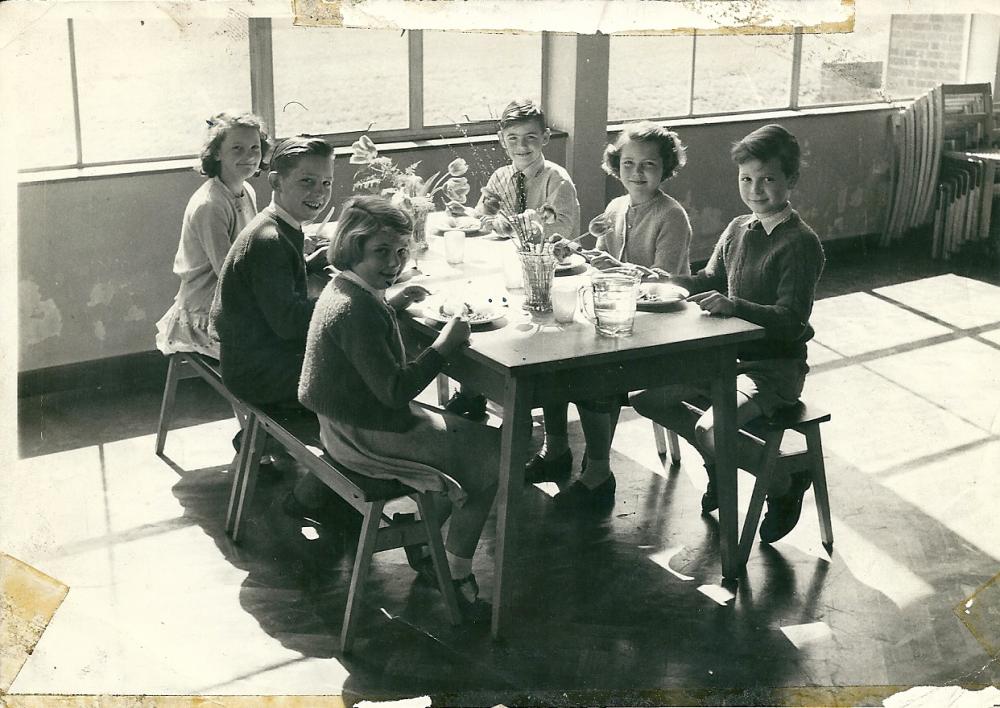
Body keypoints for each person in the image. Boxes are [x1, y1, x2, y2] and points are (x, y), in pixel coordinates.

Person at [298, 195, 499, 621]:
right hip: (365, 433)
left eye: (401, 252)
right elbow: (394, 392)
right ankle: (458, 578)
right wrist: (443, 347)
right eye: (381, 253)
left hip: (343, 423)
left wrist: (395, 302)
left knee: (467, 436)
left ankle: (426, 544)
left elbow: (362, 339)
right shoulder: (357, 309)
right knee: (495, 459)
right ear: (352, 247)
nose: (393, 263)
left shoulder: (347, 288)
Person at [630, 123, 825, 543]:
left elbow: (792, 320)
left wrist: (734, 305)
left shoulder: (800, 243)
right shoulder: (738, 227)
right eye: (746, 179)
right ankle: (720, 461)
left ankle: (784, 481)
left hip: (772, 370)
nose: (755, 189)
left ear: (791, 180)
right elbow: (708, 278)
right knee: (645, 397)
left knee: (710, 429)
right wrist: (661, 278)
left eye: (768, 179)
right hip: (726, 360)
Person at [533, 122, 693, 512]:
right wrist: (573, 251)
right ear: (615, 165)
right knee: (551, 354)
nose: (637, 173)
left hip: (658, 330)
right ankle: (555, 449)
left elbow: (666, 281)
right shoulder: (615, 208)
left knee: (589, 373)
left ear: (666, 169)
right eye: (628, 164)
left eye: (649, 165)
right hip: (617, 318)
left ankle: (599, 472)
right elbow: (600, 265)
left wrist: (613, 267)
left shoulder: (672, 216)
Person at [210, 135, 340, 523]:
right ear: (277, 182)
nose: (319, 192)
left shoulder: (277, 226)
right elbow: (288, 323)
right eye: (307, 182)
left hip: (254, 359)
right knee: (359, 380)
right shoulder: (268, 239)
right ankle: (314, 494)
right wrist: (347, 300)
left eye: (326, 183)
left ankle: (276, 445)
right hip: (260, 372)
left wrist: (313, 264)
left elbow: (281, 285)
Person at [445, 97, 581, 421]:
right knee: (474, 313)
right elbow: (482, 218)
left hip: (547, 273)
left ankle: (510, 403)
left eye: (531, 138)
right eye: (514, 139)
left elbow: (562, 229)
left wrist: (522, 222)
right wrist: (474, 216)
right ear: (502, 141)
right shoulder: (500, 177)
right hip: (506, 270)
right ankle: (471, 391)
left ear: (545, 138)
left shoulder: (556, 180)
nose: (523, 147)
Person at [155, 112, 269, 359]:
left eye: (255, 148)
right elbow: (230, 274)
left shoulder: (245, 189)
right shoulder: (210, 204)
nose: (249, 156)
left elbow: (252, 247)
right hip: (208, 311)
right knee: (284, 342)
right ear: (217, 153)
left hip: (233, 297)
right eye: (237, 149)